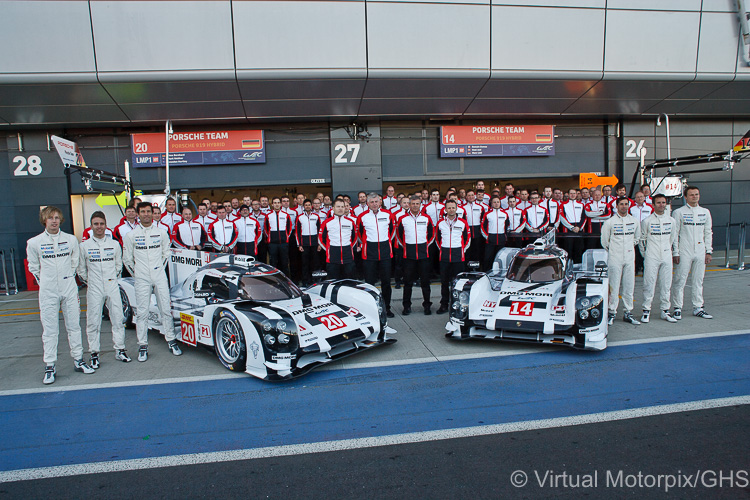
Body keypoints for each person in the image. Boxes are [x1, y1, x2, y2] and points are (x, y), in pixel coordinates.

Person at [27, 206, 94, 384]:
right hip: (48, 291)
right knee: (50, 330)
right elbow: (33, 267)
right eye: (50, 218)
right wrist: (46, 282)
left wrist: (67, 278)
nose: (54, 221)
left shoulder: (71, 240)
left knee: (74, 326)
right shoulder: (34, 243)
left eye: (57, 217)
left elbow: (75, 262)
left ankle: (79, 360)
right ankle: (50, 365)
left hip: (69, 288)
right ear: (44, 220)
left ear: (61, 220)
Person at [123, 202, 182, 361]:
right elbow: (127, 260)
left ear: (154, 213)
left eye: (149, 211)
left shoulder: (161, 233)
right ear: (138, 214)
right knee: (142, 312)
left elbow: (166, 254)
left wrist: (158, 270)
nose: (146, 214)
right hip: (141, 277)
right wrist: (138, 274)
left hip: (159, 275)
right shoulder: (131, 235)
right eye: (143, 212)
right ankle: (143, 345)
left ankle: (171, 339)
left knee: (165, 308)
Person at [78, 211, 131, 367]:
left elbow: (118, 265)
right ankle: (94, 353)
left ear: (106, 225)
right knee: (93, 321)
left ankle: (120, 349)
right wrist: (91, 281)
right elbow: (81, 269)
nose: (99, 227)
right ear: (91, 226)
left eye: (101, 224)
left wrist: (111, 278)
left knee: (118, 318)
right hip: (94, 286)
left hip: (111, 284)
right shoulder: (84, 246)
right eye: (96, 224)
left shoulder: (114, 244)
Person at [671, 186, 713, 320]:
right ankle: (677, 308)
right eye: (691, 195)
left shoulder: (705, 212)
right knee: (680, 280)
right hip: (684, 250)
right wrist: (675, 252)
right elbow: (675, 234)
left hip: (700, 250)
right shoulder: (679, 212)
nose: (694, 197)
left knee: (698, 280)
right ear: (686, 197)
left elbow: (708, 232)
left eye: (696, 194)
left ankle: (698, 307)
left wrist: (708, 251)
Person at [601, 197, 642, 325]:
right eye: (621, 204)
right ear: (616, 206)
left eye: (626, 204)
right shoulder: (609, 222)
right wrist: (615, 250)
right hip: (615, 257)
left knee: (629, 285)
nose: (624, 206)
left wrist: (628, 248)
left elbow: (637, 238)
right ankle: (611, 312)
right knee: (613, 286)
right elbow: (605, 242)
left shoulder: (634, 221)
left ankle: (628, 312)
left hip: (629, 257)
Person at [639, 194, 678, 323]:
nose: (661, 205)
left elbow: (672, 238)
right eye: (658, 203)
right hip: (651, 255)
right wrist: (646, 254)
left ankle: (665, 310)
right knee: (649, 284)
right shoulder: (647, 221)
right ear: (653, 205)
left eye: (663, 202)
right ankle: (646, 311)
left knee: (666, 284)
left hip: (666, 254)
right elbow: (642, 240)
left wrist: (672, 251)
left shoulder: (671, 220)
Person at [356, 193, 395, 317]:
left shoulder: (388, 215)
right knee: (369, 283)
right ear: (367, 203)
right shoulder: (362, 216)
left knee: (386, 282)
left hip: (385, 251)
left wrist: (386, 242)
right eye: (371, 202)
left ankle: (387, 308)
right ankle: (371, 308)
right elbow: (359, 234)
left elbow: (392, 230)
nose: (374, 204)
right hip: (369, 252)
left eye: (376, 201)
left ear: (380, 202)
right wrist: (366, 244)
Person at [396, 195, 435, 315]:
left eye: (417, 203)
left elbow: (432, 234)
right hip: (409, 255)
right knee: (408, 282)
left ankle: (427, 305)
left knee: (425, 282)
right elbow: (399, 235)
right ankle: (406, 306)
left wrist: (424, 246)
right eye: (412, 203)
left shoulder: (426, 218)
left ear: (420, 205)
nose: (415, 206)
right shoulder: (402, 219)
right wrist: (407, 247)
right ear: (409, 204)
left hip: (424, 254)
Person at [436, 200, 470, 314]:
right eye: (449, 208)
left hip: (458, 256)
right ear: (445, 209)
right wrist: (442, 249)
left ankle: (458, 304)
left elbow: (467, 238)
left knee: (458, 283)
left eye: (453, 208)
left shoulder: (463, 223)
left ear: (457, 209)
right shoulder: (440, 223)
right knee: (444, 282)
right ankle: (444, 304)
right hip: (444, 256)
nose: (451, 210)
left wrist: (461, 250)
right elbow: (437, 239)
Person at [319, 199, 358, 280]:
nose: (340, 209)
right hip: (333, 257)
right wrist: (329, 249)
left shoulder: (350, 222)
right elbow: (321, 239)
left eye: (342, 207)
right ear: (333, 208)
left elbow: (354, 237)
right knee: (333, 282)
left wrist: (349, 248)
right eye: (338, 206)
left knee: (349, 281)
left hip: (348, 256)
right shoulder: (326, 222)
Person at [265, 197, 294, 277]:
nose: (277, 204)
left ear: (280, 204)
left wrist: (286, 237)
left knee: (284, 263)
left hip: (283, 243)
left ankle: (286, 280)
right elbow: (266, 228)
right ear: (272, 204)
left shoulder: (285, 215)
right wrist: (270, 238)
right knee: (273, 263)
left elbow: (289, 227)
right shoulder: (268, 215)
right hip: (273, 244)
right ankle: (274, 280)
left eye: (278, 202)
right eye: (275, 203)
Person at [296, 199, 323, 286]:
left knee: (315, 263)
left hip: (315, 243)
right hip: (305, 243)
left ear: (311, 206)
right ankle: (305, 281)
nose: (307, 206)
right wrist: (299, 244)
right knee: (305, 264)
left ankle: (315, 280)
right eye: (306, 205)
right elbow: (297, 232)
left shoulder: (316, 216)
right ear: (303, 206)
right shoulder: (300, 217)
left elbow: (320, 230)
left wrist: (319, 243)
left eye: (309, 204)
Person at [481, 195, 509, 271]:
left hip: (501, 239)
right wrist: (487, 237)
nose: (496, 204)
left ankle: (500, 272)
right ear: (491, 203)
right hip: (490, 239)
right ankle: (487, 272)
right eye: (494, 202)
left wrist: (505, 236)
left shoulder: (504, 214)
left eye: (498, 202)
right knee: (488, 258)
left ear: (500, 203)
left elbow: (507, 225)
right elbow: (483, 227)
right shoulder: (487, 214)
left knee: (500, 258)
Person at [629, 191, 654, 273]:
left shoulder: (650, 207)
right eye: (638, 197)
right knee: (635, 250)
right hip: (635, 231)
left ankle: (645, 268)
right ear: (635, 199)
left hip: (646, 231)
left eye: (641, 197)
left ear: (644, 197)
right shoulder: (631, 208)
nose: (640, 198)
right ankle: (636, 268)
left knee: (646, 249)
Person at [559, 188, 586, 262]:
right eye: (571, 193)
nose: (573, 195)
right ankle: (567, 268)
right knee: (568, 250)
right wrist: (571, 227)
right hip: (568, 230)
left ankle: (578, 267)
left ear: (577, 194)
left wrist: (579, 227)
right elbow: (562, 217)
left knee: (579, 249)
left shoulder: (581, 204)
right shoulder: (563, 205)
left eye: (574, 193)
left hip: (578, 229)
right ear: (568, 194)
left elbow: (584, 217)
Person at [463, 189, 486, 266]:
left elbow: (483, 220)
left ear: (475, 196)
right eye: (469, 195)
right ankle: (467, 269)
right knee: (467, 252)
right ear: (466, 197)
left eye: (472, 195)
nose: (471, 197)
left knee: (478, 252)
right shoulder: (463, 208)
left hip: (477, 232)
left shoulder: (480, 207)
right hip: (467, 232)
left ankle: (478, 269)